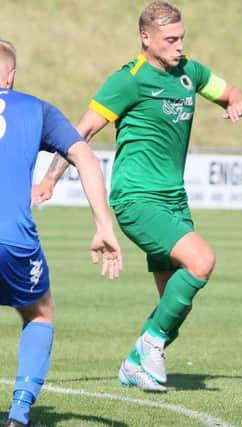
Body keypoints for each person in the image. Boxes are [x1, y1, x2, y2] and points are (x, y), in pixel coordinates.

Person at [32, 0, 242, 392]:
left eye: (182, 37)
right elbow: (80, 134)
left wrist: (238, 103)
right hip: (136, 198)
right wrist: (50, 178)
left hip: (175, 200)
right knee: (202, 261)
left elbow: (230, 91)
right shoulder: (128, 80)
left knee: (175, 307)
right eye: (170, 40)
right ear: (145, 39)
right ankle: (146, 348)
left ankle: (138, 361)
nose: (179, 46)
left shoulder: (190, 72)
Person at [0, 40, 122, 427]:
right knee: (40, 313)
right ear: (12, 76)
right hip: (11, 237)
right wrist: (104, 225)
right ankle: (19, 411)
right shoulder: (36, 108)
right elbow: (83, 154)